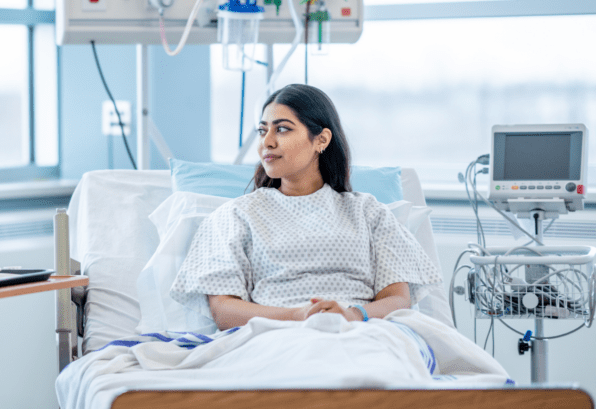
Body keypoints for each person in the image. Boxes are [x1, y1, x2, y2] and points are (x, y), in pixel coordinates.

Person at [170, 84, 441, 331]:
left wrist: (351, 316)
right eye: (263, 131)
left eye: (283, 129)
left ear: (321, 140)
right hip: (271, 335)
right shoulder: (235, 216)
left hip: (362, 332)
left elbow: (397, 298)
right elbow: (223, 310)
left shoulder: (369, 213)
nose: (267, 142)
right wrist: (299, 317)